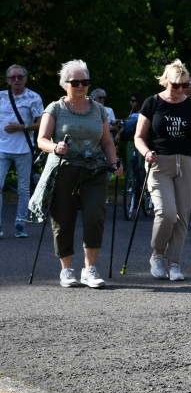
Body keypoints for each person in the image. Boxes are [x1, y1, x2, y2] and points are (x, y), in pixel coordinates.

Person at [32, 60, 122, 288]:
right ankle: (67, 270)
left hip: (94, 171)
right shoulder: (55, 108)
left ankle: (89, 269)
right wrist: (54, 147)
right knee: (63, 219)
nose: (81, 86)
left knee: (94, 217)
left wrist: (114, 163)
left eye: (85, 82)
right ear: (65, 85)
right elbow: (41, 139)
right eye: (75, 82)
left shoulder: (98, 109)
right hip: (64, 170)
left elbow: (106, 141)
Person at [134, 60, 191, 282]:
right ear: (166, 81)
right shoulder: (152, 103)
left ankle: (175, 262)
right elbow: (139, 137)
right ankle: (158, 254)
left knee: (182, 216)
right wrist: (146, 152)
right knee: (166, 213)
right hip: (159, 162)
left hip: (187, 162)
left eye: (185, 85)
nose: (180, 90)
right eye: (176, 85)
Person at [2, 64, 44, 239]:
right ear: (7, 80)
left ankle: (20, 225)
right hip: (1, 149)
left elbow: (42, 123)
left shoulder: (33, 97)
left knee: (24, 189)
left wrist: (22, 127)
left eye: (20, 77)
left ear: (26, 79)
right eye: (13, 77)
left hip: (23, 149)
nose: (16, 80)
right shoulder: (1, 97)